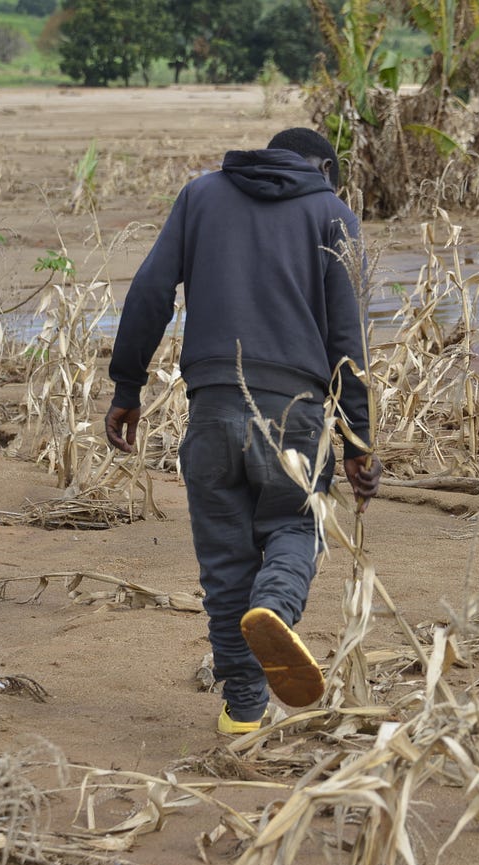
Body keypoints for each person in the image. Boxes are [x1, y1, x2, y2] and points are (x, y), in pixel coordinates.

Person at [103, 128, 381, 735]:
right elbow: (348, 341)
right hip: (296, 412)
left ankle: (242, 715)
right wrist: (358, 440)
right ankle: (275, 607)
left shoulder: (200, 197)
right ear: (323, 169)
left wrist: (128, 387)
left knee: (225, 564)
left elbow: (151, 291)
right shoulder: (332, 213)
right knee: (294, 526)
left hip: (212, 408)